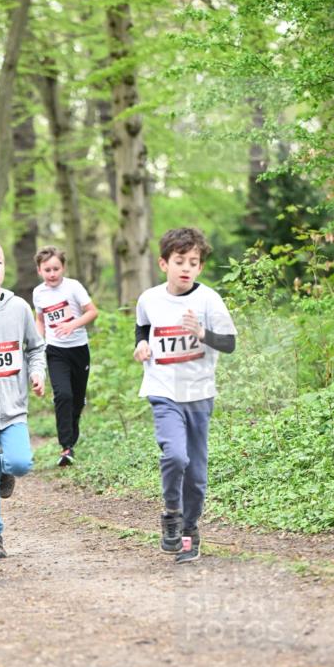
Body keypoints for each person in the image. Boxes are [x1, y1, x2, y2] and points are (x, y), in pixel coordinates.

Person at [134, 227, 237, 564]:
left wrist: (202, 333)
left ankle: (190, 527)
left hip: (199, 393)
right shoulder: (149, 298)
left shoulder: (209, 300)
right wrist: (141, 343)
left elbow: (230, 343)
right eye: (180, 261)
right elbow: (143, 326)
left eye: (193, 262)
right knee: (175, 456)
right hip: (162, 390)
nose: (186, 268)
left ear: (200, 268)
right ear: (164, 263)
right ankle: (171, 515)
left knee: (196, 474)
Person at [0, 241, 46, 559]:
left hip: (14, 407)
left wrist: (37, 373)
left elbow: (35, 347)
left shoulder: (19, 307)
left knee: (20, 463)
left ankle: (7, 469)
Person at [33, 246, 98, 467]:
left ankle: (72, 431)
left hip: (79, 349)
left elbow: (92, 311)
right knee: (63, 395)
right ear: (39, 270)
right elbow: (40, 320)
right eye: (47, 269)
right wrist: (37, 342)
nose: (52, 274)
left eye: (56, 268)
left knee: (76, 401)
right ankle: (66, 447)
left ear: (63, 268)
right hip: (55, 350)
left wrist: (72, 325)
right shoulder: (38, 293)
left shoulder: (73, 287)